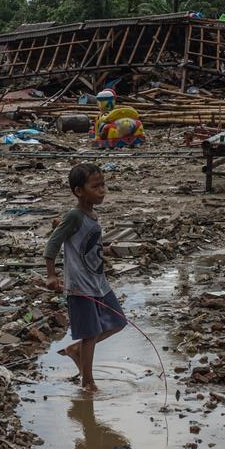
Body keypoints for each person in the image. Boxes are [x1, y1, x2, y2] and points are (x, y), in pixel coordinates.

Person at [43, 163, 126, 392]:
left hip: (98, 281)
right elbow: (53, 242)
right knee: (90, 333)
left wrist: (106, 250)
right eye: (96, 186)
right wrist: (51, 275)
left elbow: (88, 242)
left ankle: (77, 350)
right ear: (79, 191)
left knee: (118, 321)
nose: (102, 190)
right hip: (80, 285)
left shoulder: (92, 215)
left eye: (103, 185)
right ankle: (87, 382)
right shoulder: (74, 216)